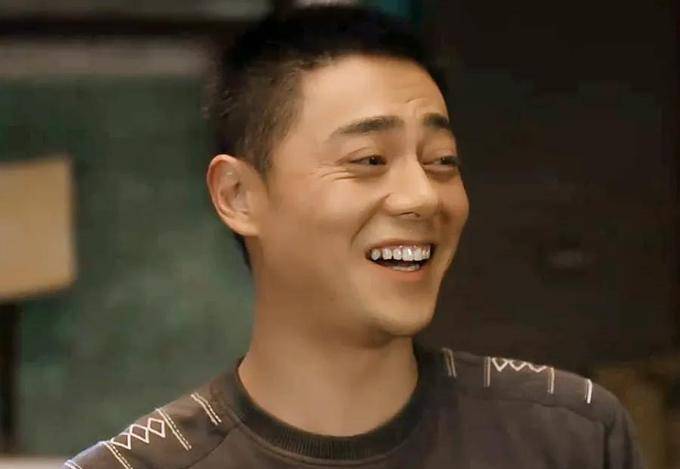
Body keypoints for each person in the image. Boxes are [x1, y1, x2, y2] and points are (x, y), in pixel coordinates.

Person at [64, 5, 645, 469]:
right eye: (369, 160)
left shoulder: (570, 435)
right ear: (238, 196)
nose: (423, 197)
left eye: (441, 160)